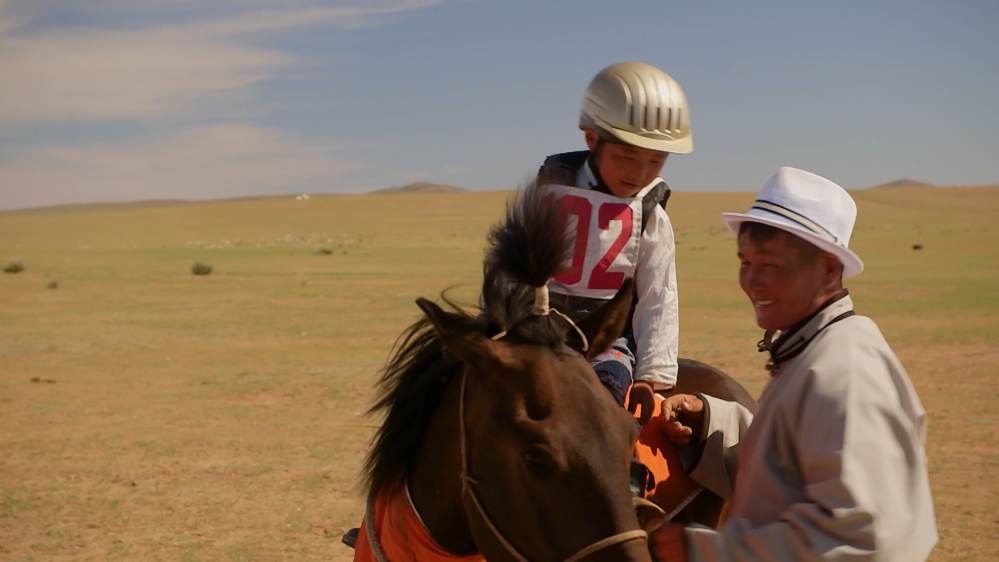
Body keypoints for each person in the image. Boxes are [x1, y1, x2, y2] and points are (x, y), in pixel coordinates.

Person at [649, 167, 938, 561]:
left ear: (828, 269)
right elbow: (792, 468)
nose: (751, 281)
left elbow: (863, 542)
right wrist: (710, 420)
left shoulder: (845, 371)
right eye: (745, 261)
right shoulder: (812, 351)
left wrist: (708, 552)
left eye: (770, 265)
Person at [536, 62, 692, 423]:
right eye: (627, 156)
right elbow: (506, 267)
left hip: (607, 348)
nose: (639, 173)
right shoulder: (547, 195)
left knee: (602, 420)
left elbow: (659, 296)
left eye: (656, 160)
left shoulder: (650, 213)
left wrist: (654, 377)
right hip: (533, 336)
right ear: (593, 139)